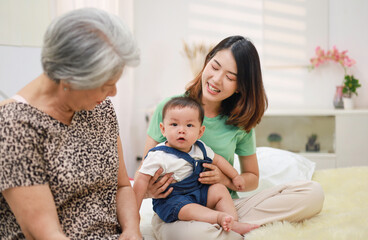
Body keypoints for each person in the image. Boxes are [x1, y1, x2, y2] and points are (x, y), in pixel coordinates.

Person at [141, 35, 325, 240]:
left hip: (227, 206)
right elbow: (144, 170)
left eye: (230, 77)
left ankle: (229, 226)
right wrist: (152, 190)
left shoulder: (239, 123)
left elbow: (252, 179)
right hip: (179, 213)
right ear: (207, 61)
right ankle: (235, 230)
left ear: (241, 86)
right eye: (215, 66)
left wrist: (224, 179)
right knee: (193, 233)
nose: (217, 79)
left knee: (312, 193)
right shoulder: (170, 109)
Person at [0, 8, 142, 240]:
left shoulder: (99, 108)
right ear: (69, 78)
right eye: (106, 84)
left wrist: (132, 230)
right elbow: (44, 234)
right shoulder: (13, 126)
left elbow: (122, 186)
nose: (113, 93)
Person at [134, 96, 259, 235]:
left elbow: (218, 160)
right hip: (172, 201)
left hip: (198, 193)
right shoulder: (158, 156)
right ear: (163, 129)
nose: (181, 130)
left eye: (189, 125)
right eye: (174, 125)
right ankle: (218, 218)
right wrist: (134, 214)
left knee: (219, 189)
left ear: (200, 132)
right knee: (187, 208)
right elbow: (140, 180)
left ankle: (233, 223)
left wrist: (235, 176)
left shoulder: (200, 148)